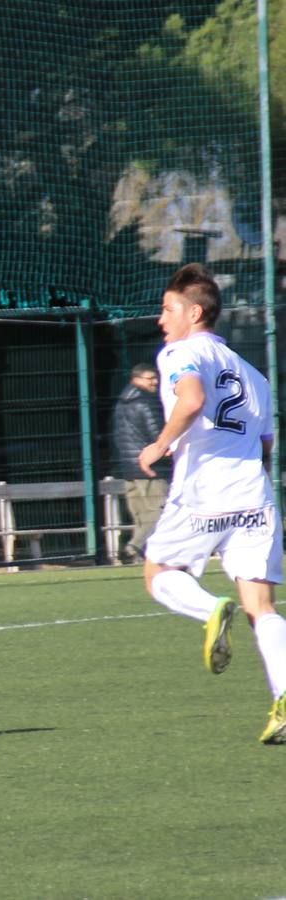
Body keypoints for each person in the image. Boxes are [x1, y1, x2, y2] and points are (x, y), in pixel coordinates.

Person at [139, 263, 286, 744]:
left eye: (167, 309)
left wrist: (160, 444)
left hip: (204, 490)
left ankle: (208, 611)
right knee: (262, 608)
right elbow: (265, 448)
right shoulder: (255, 376)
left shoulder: (179, 352)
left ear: (194, 312)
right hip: (255, 496)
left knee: (158, 571)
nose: (161, 320)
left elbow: (193, 399)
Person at [112, 362, 167, 562]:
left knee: (140, 516)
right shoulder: (147, 402)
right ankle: (132, 548)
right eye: (150, 378)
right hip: (150, 468)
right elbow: (158, 435)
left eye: (155, 378)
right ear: (136, 379)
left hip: (128, 468)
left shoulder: (122, 403)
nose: (155, 382)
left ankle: (143, 556)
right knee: (158, 512)